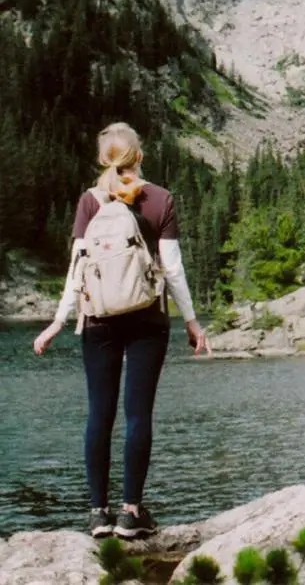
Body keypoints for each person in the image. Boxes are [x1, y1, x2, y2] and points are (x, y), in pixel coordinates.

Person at [33, 122, 210, 539]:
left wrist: (59, 320)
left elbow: (78, 269)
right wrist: (191, 320)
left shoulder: (89, 201)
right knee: (137, 414)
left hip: (98, 320)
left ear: (102, 159)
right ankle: (131, 513)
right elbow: (173, 269)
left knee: (100, 413)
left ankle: (98, 514)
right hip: (148, 318)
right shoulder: (160, 199)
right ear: (140, 157)